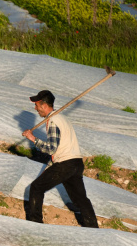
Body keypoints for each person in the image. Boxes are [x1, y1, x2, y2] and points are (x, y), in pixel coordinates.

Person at [21, 90, 99, 228]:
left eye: (37, 105)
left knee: (36, 188)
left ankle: (35, 225)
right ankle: (93, 228)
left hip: (65, 164)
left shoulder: (53, 121)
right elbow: (60, 149)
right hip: (76, 163)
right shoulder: (62, 118)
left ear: (44, 105)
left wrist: (32, 138)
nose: (35, 108)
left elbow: (51, 149)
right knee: (80, 199)